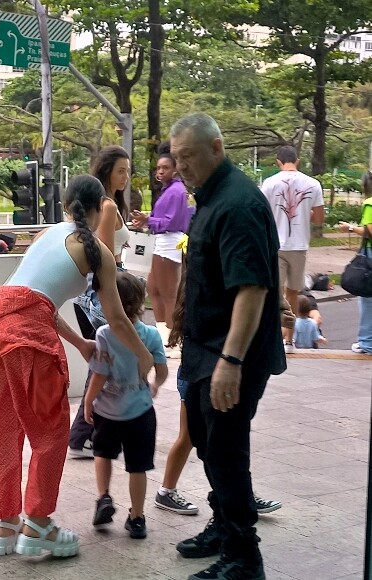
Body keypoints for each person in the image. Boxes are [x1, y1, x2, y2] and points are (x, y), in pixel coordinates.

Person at [0, 175, 154, 558]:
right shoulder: (96, 248)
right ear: (101, 206)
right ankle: (38, 526)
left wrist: (79, 343)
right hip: (27, 337)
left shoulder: (47, 232)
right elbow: (116, 318)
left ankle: (7, 525)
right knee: (49, 433)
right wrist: (144, 355)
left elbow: (32, 293)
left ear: (67, 206)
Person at [170, 113, 286, 580]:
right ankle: (221, 525)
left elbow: (252, 288)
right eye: (176, 159)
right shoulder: (212, 199)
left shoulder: (238, 204)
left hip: (230, 355)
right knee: (206, 442)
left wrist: (231, 361)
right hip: (205, 351)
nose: (181, 167)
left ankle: (244, 555)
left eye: (189, 157)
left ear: (216, 148)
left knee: (226, 449)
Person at [84, 272, 168, 539]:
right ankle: (137, 517)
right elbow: (162, 370)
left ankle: (104, 497)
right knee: (138, 466)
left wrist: (88, 401)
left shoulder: (104, 334)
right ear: (140, 302)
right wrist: (154, 385)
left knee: (102, 453)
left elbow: (100, 373)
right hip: (140, 412)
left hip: (107, 411)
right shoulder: (152, 335)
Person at [69, 146, 131, 457]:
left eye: (128, 171)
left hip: (99, 290)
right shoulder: (106, 207)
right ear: (107, 171)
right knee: (104, 359)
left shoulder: (109, 205)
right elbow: (104, 255)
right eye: (121, 170)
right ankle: (82, 434)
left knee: (103, 360)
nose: (126, 177)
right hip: (102, 291)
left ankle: (89, 432)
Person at [261, 145, 325, 354]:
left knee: (274, 294)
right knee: (293, 293)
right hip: (299, 246)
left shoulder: (269, 183)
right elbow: (319, 219)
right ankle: (289, 339)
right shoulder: (313, 184)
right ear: (297, 161)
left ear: (278, 162)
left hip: (275, 245)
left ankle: (272, 338)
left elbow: (262, 215)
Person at [131, 152, 190, 359]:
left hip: (170, 241)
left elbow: (171, 222)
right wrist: (147, 220)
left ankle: (173, 340)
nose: (160, 171)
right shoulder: (168, 190)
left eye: (165, 167)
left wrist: (149, 221)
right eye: (158, 168)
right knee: (154, 289)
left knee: (168, 293)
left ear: (175, 169)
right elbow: (162, 219)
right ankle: (163, 334)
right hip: (162, 241)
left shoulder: (176, 191)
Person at [338, 169, 372, 354]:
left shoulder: (370, 204)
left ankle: (367, 342)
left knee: (367, 299)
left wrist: (350, 228)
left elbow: (370, 231)